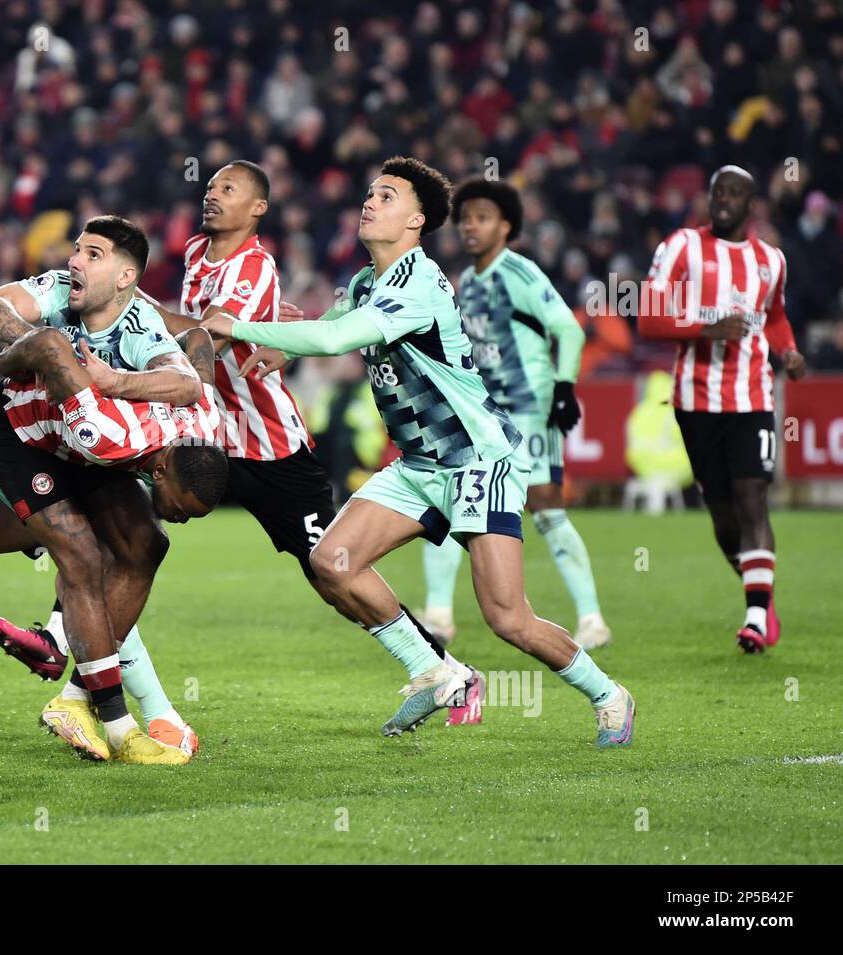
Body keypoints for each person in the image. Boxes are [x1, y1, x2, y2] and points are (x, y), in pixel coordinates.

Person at [0, 160, 483, 731]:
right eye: (209, 186)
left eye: (228, 188)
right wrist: (153, 315)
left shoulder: (253, 267)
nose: (212, 195)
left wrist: (146, 313)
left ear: (258, 209)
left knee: (329, 570)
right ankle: (71, 663)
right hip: (201, 437)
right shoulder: (199, 253)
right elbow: (187, 329)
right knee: (124, 531)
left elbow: (210, 339)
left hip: (267, 448)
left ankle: (442, 669)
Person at [203, 157, 635, 747]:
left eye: (386, 196)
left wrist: (242, 328)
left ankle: (608, 695)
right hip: (419, 467)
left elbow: (336, 337)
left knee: (507, 618)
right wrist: (289, 351)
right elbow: (332, 324)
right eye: (370, 193)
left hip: (478, 460)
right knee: (332, 561)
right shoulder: (364, 282)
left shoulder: (421, 283)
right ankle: (436, 670)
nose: (369, 202)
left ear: (416, 220)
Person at [0, 216, 225, 765]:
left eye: (92, 254)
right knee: (84, 558)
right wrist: (35, 348)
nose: (75, 262)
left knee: (136, 547)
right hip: (22, 436)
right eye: (78, 251)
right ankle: (115, 723)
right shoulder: (62, 300)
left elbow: (191, 367)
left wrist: (112, 380)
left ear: (125, 276)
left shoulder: (147, 348)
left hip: (79, 441)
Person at [419, 177, 612, 650]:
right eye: (465, 219)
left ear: (506, 227)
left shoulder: (520, 274)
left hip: (531, 410)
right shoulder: (467, 281)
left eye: (482, 218)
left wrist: (565, 386)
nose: (470, 227)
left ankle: (591, 619)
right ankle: (439, 615)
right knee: (456, 501)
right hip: (487, 415)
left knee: (546, 510)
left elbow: (568, 329)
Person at [639, 165, 806, 653]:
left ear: (751, 204)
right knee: (722, 514)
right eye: (717, 192)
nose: (723, 200)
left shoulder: (771, 260)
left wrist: (788, 350)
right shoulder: (680, 247)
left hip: (753, 396)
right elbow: (648, 319)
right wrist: (704, 329)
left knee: (753, 496)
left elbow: (774, 316)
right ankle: (761, 589)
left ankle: (755, 615)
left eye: (734, 194)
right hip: (695, 399)